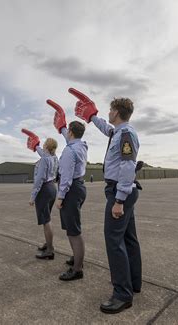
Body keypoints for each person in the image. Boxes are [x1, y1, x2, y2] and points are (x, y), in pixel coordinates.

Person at [70, 87, 141, 314]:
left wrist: (119, 200)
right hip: (123, 191)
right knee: (129, 238)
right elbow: (106, 129)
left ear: (117, 112)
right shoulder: (118, 132)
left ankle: (122, 294)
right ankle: (133, 283)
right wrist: (91, 117)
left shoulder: (126, 134)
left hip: (120, 192)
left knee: (113, 241)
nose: (108, 113)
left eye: (110, 110)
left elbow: (128, 165)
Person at [47, 99, 88, 281]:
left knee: (73, 231)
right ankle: (76, 258)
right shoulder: (80, 145)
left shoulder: (70, 151)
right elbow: (68, 138)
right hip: (80, 187)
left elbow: (66, 177)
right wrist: (62, 126)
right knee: (74, 227)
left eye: (67, 131)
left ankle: (77, 269)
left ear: (71, 132)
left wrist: (60, 197)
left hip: (71, 190)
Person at [21, 129, 59, 260]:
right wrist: (36, 145)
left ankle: (50, 250)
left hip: (44, 190)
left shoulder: (44, 160)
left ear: (46, 147)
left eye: (43, 145)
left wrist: (32, 197)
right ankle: (48, 244)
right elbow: (43, 153)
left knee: (45, 221)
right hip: (52, 188)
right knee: (47, 218)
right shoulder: (54, 158)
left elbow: (39, 180)